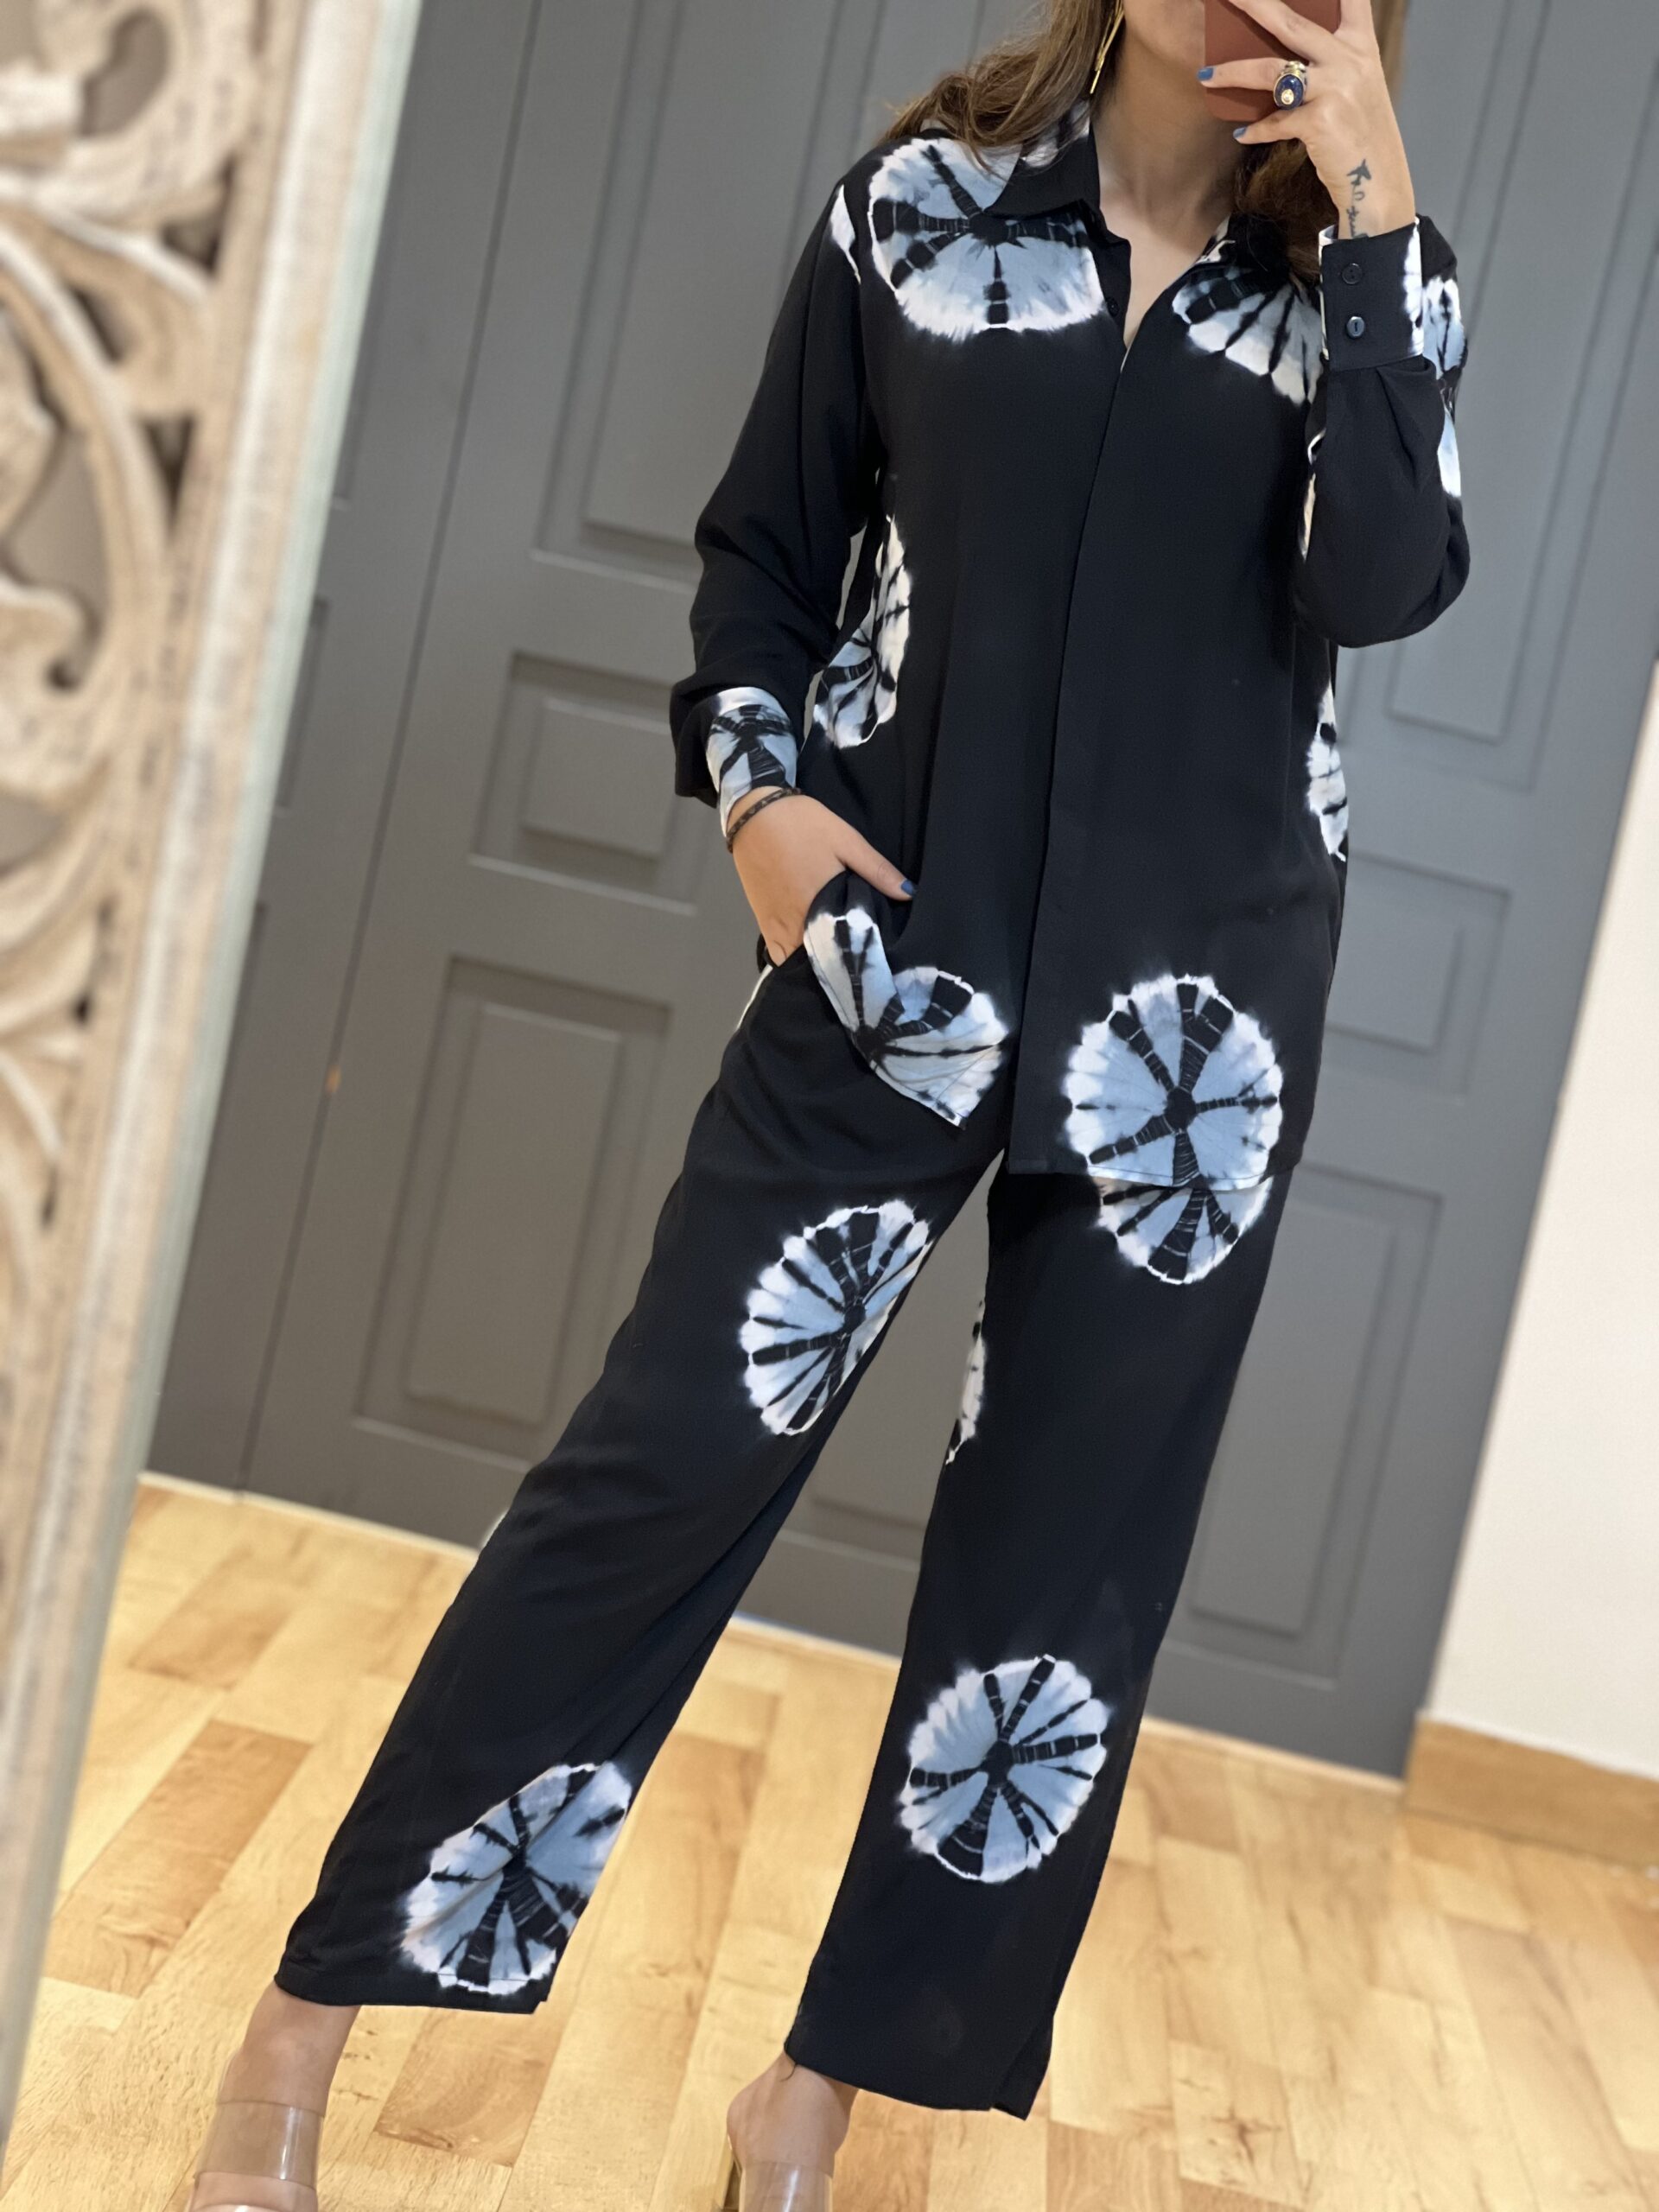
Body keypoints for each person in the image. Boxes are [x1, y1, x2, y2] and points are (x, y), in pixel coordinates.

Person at [188, 0, 1469, 2203]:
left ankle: (811, 2097)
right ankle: (299, 2026)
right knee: (653, 1468)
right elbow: (764, 550)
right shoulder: (923, 206)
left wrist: (1374, 210)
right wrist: (761, 808)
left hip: (1193, 1048)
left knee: (1055, 1586)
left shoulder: (1372, 275)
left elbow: (1383, 582)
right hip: (896, 968)